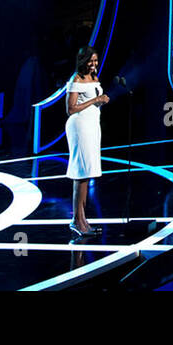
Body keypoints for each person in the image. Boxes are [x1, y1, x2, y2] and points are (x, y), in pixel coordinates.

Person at [65, 45, 109, 236]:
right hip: (79, 126)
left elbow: (93, 101)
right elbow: (71, 108)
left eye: (95, 60)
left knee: (86, 173)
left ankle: (82, 219)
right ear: (83, 61)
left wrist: (100, 101)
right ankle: (77, 221)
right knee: (80, 173)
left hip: (92, 125)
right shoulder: (76, 79)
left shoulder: (94, 78)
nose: (94, 64)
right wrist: (94, 100)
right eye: (90, 61)